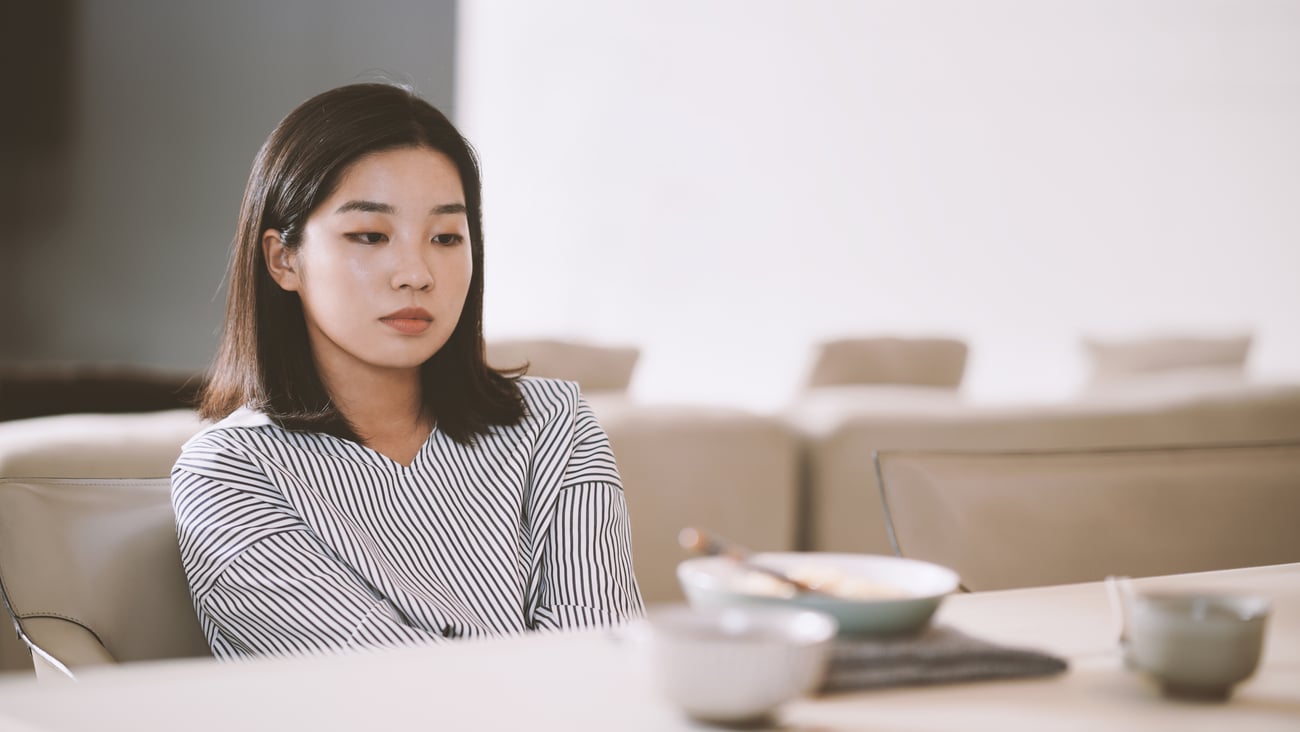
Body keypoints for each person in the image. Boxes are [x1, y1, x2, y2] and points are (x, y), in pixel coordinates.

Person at [171, 83, 644, 659]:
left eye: (446, 237)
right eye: (369, 236)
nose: (416, 273)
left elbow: (603, 660)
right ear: (283, 259)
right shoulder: (229, 472)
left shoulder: (553, 423)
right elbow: (397, 694)